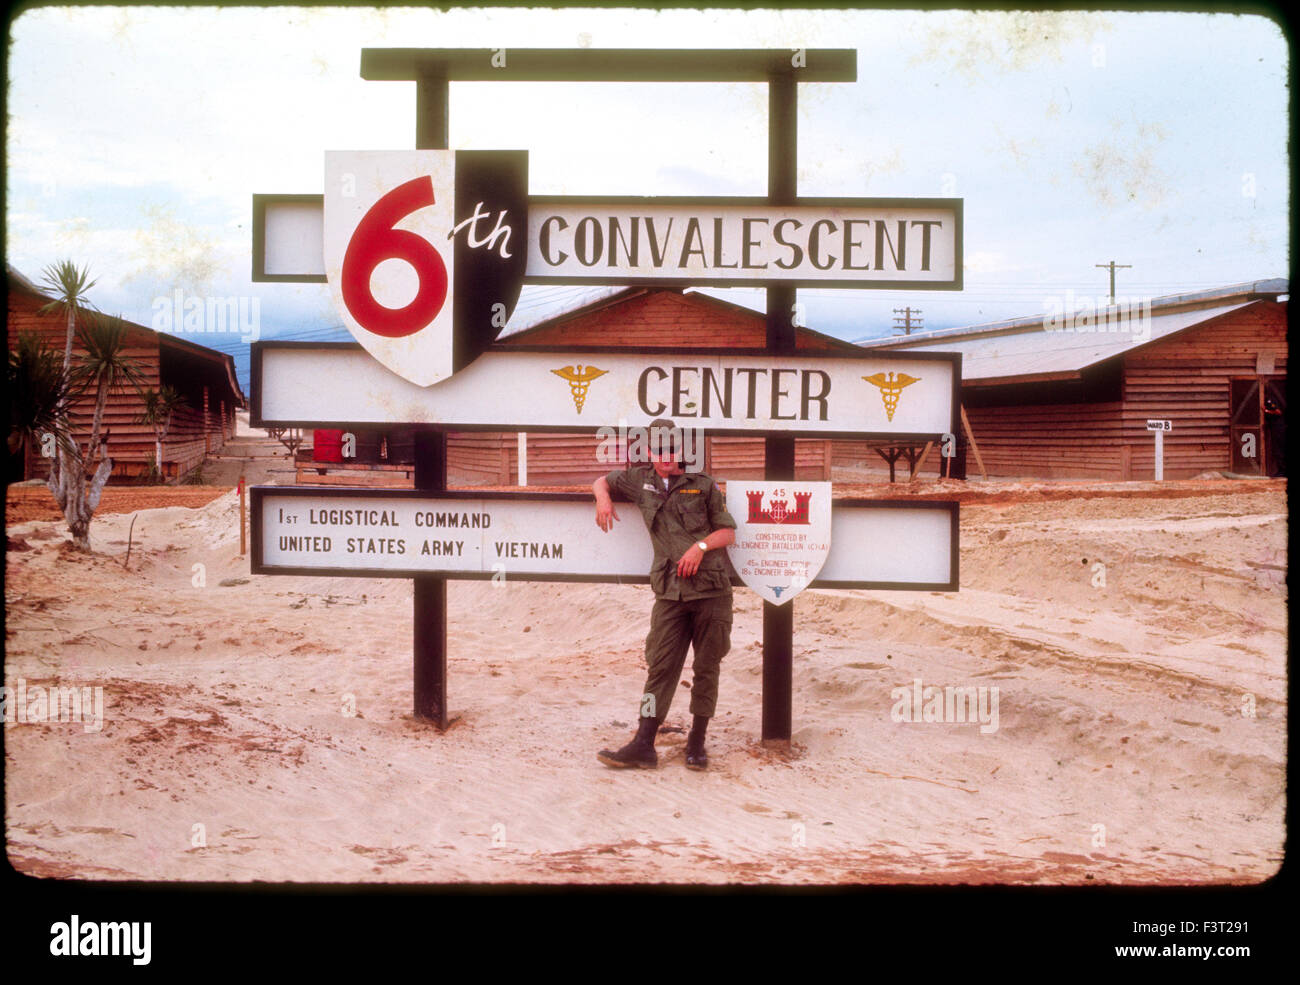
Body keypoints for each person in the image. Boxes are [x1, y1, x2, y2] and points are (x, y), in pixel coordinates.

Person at [592, 418, 736, 770]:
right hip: (670, 593)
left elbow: (727, 532)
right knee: (660, 667)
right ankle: (644, 742)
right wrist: (603, 501)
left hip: (710, 591)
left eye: (671, 449)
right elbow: (601, 480)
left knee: (706, 667)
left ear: (682, 451)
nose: (665, 456)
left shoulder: (702, 485)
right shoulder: (640, 480)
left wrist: (699, 547)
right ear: (649, 451)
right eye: (658, 449)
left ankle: (697, 743)